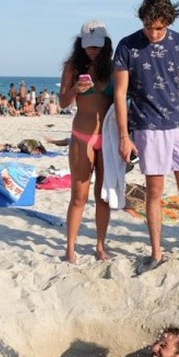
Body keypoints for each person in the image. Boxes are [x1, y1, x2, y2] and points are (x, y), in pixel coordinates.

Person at [114, 0, 179, 274]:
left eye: (159, 28)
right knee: (155, 192)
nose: (153, 33)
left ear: (169, 22)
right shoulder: (127, 45)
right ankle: (156, 253)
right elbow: (120, 94)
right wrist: (124, 136)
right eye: (148, 27)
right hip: (147, 127)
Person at [59, 20, 114, 263]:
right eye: (89, 45)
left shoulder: (113, 67)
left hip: (108, 138)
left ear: (105, 44)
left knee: (103, 197)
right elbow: (63, 102)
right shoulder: (72, 67)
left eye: (97, 45)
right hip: (82, 137)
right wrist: (76, 90)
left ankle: (100, 246)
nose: (93, 49)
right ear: (81, 43)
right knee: (79, 195)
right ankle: (70, 248)